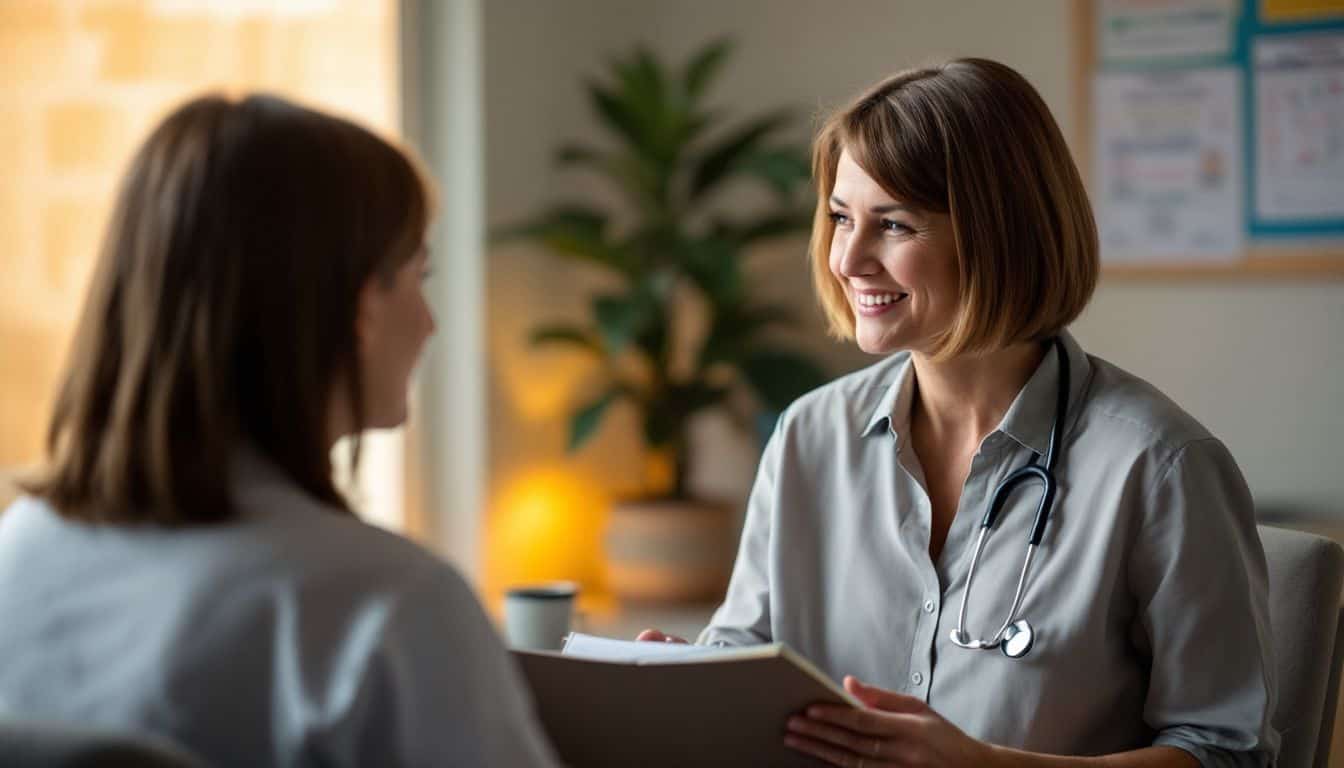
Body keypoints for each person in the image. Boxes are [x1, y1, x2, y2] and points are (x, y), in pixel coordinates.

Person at [640, 58, 1277, 767]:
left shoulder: (1159, 468)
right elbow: (745, 654)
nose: (848, 259)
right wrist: (689, 685)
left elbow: (1227, 754)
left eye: (895, 226)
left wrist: (990, 767)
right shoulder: (809, 436)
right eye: (840, 217)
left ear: (999, 236)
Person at [0, 94, 560, 767]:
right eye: (420, 274)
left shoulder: (19, 554)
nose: (431, 323)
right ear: (360, 303)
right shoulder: (387, 609)